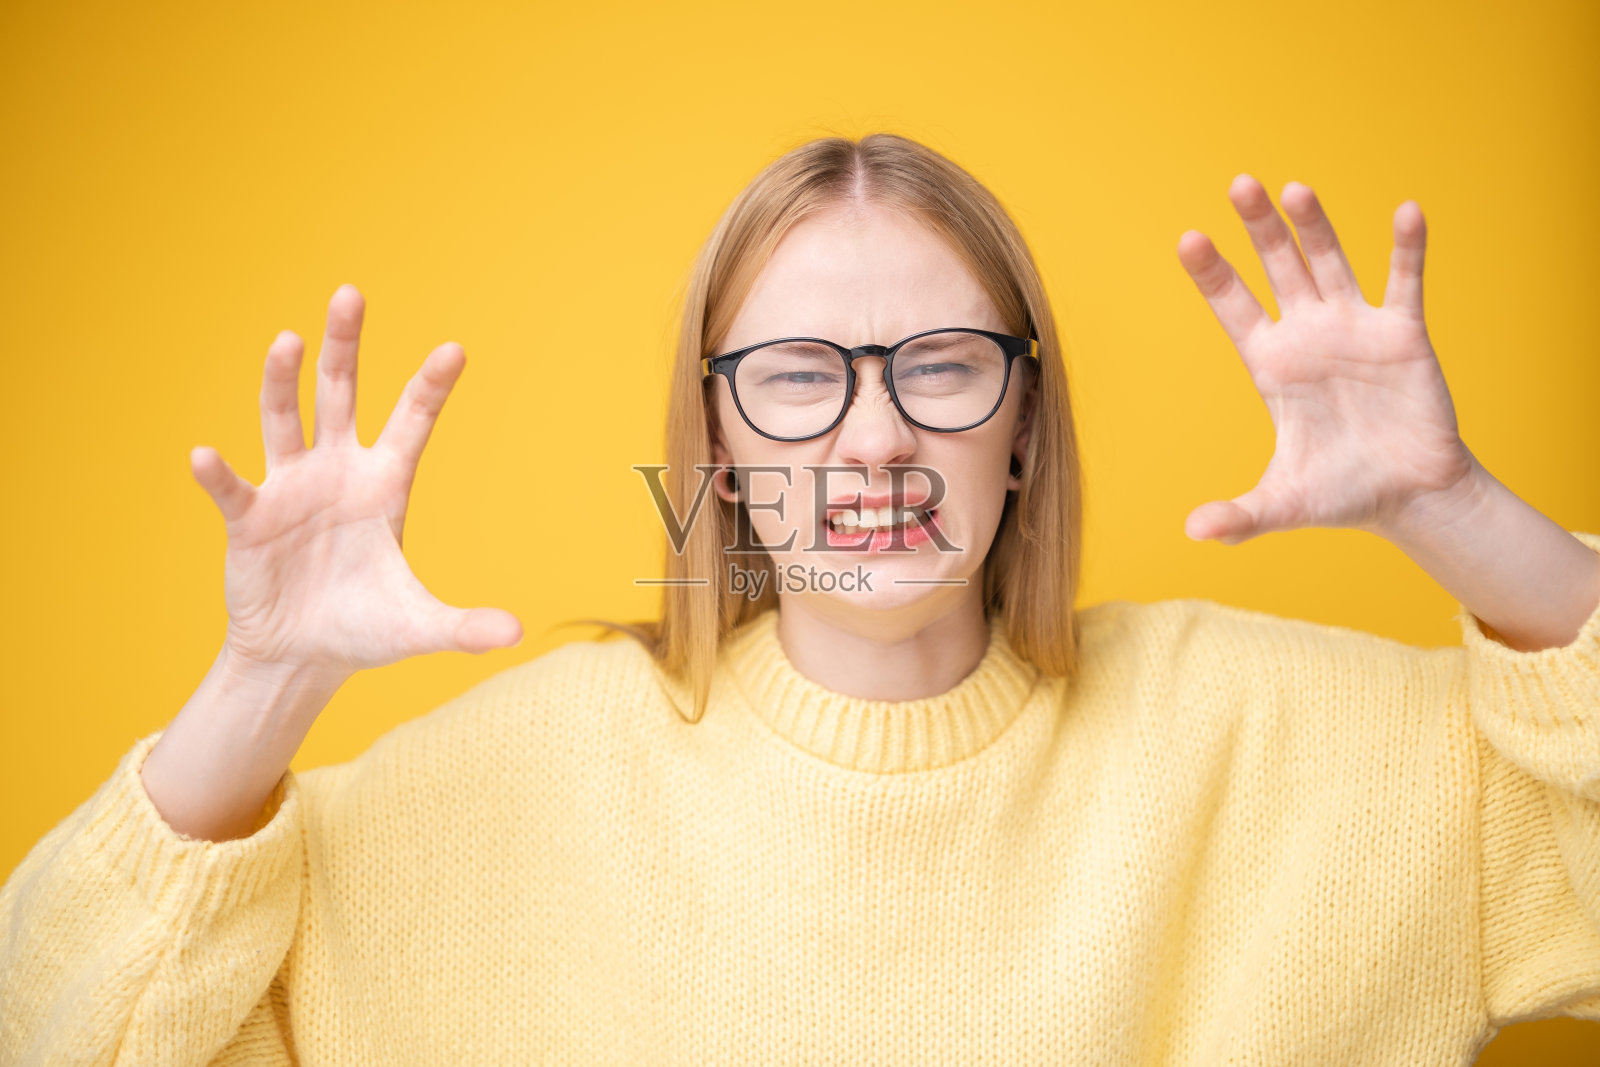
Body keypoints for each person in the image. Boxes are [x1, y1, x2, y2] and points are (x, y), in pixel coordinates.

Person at [1, 133, 1597, 1065]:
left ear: (1026, 425)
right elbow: (59, 1026)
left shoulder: (1292, 740)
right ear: (715, 437)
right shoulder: (501, 793)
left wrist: (1456, 513)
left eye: (945, 366)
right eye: (796, 378)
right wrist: (262, 687)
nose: (876, 432)